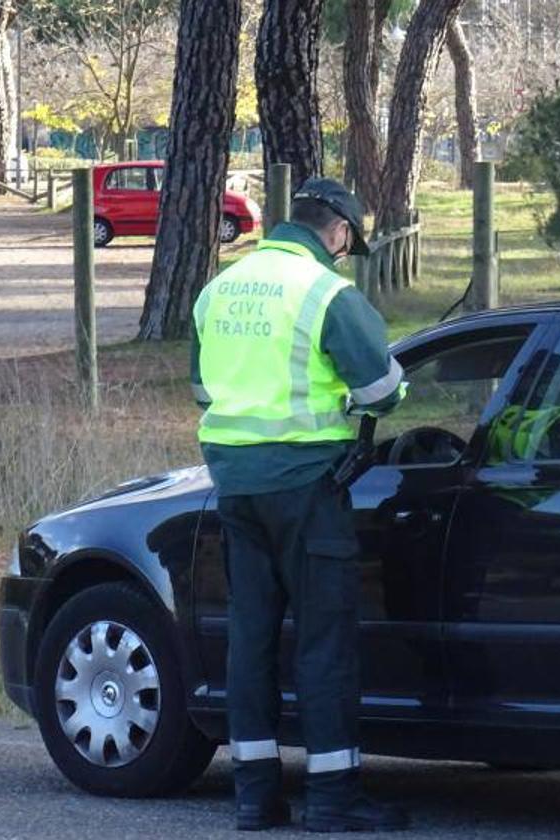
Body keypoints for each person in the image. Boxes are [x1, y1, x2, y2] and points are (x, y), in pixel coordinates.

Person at [190, 178, 409, 833]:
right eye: (348, 241)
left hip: (234, 485)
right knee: (323, 642)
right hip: (308, 488)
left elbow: (205, 389)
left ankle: (255, 797)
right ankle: (334, 798)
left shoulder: (220, 287)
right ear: (338, 230)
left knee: (250, 638)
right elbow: (383, 388)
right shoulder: (325, 292)